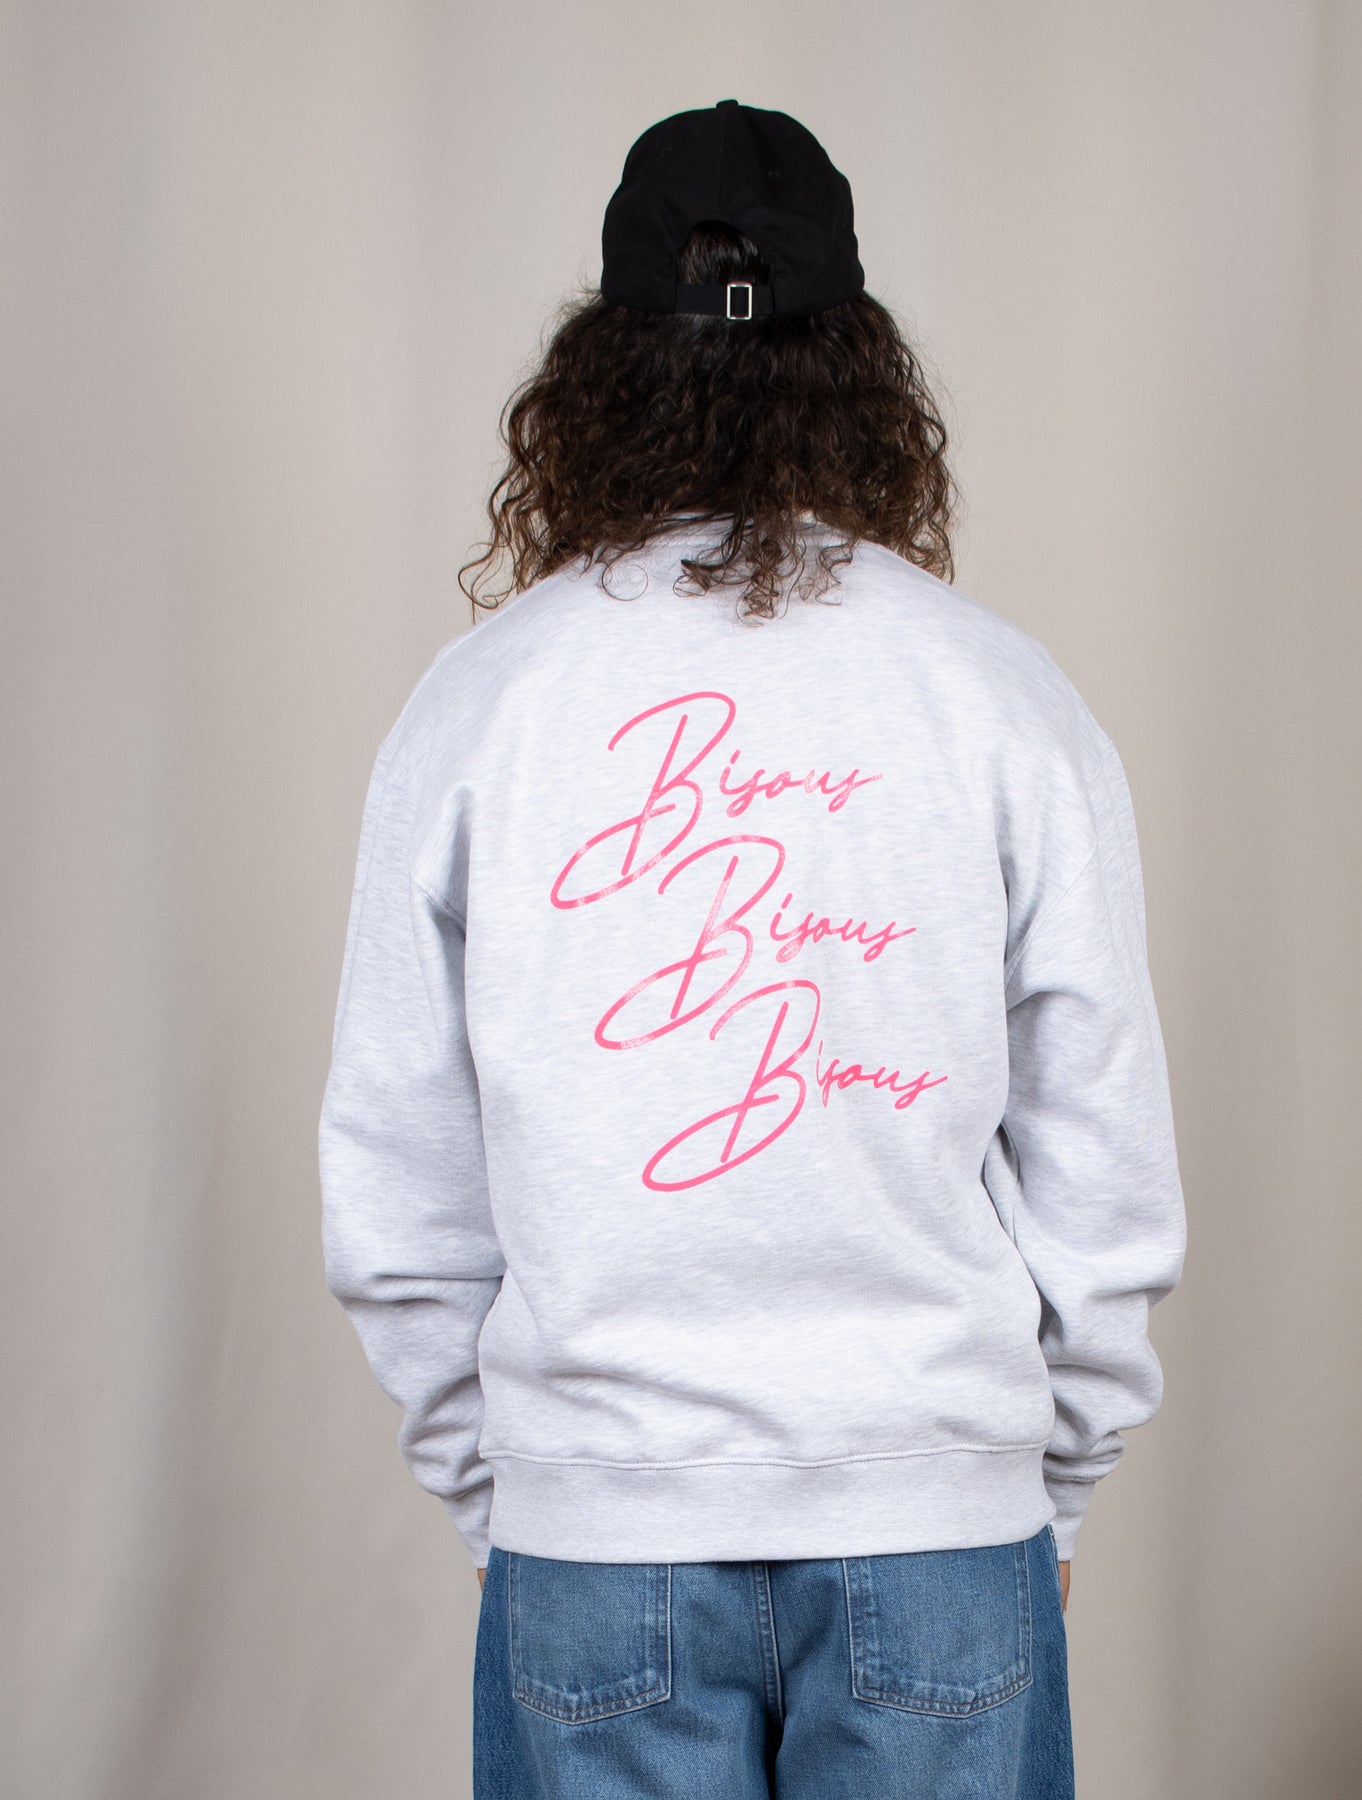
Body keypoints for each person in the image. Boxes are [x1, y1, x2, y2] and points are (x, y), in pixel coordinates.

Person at [318, 98, 1187, 1800]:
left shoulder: (483, 705)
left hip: (599, 1531)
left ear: (602, 376)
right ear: (859, 373)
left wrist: (516, 1496)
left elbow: (396, 1177)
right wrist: (1051, 1487)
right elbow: (1105, 1157)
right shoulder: (999, 696)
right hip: (939, 1522)